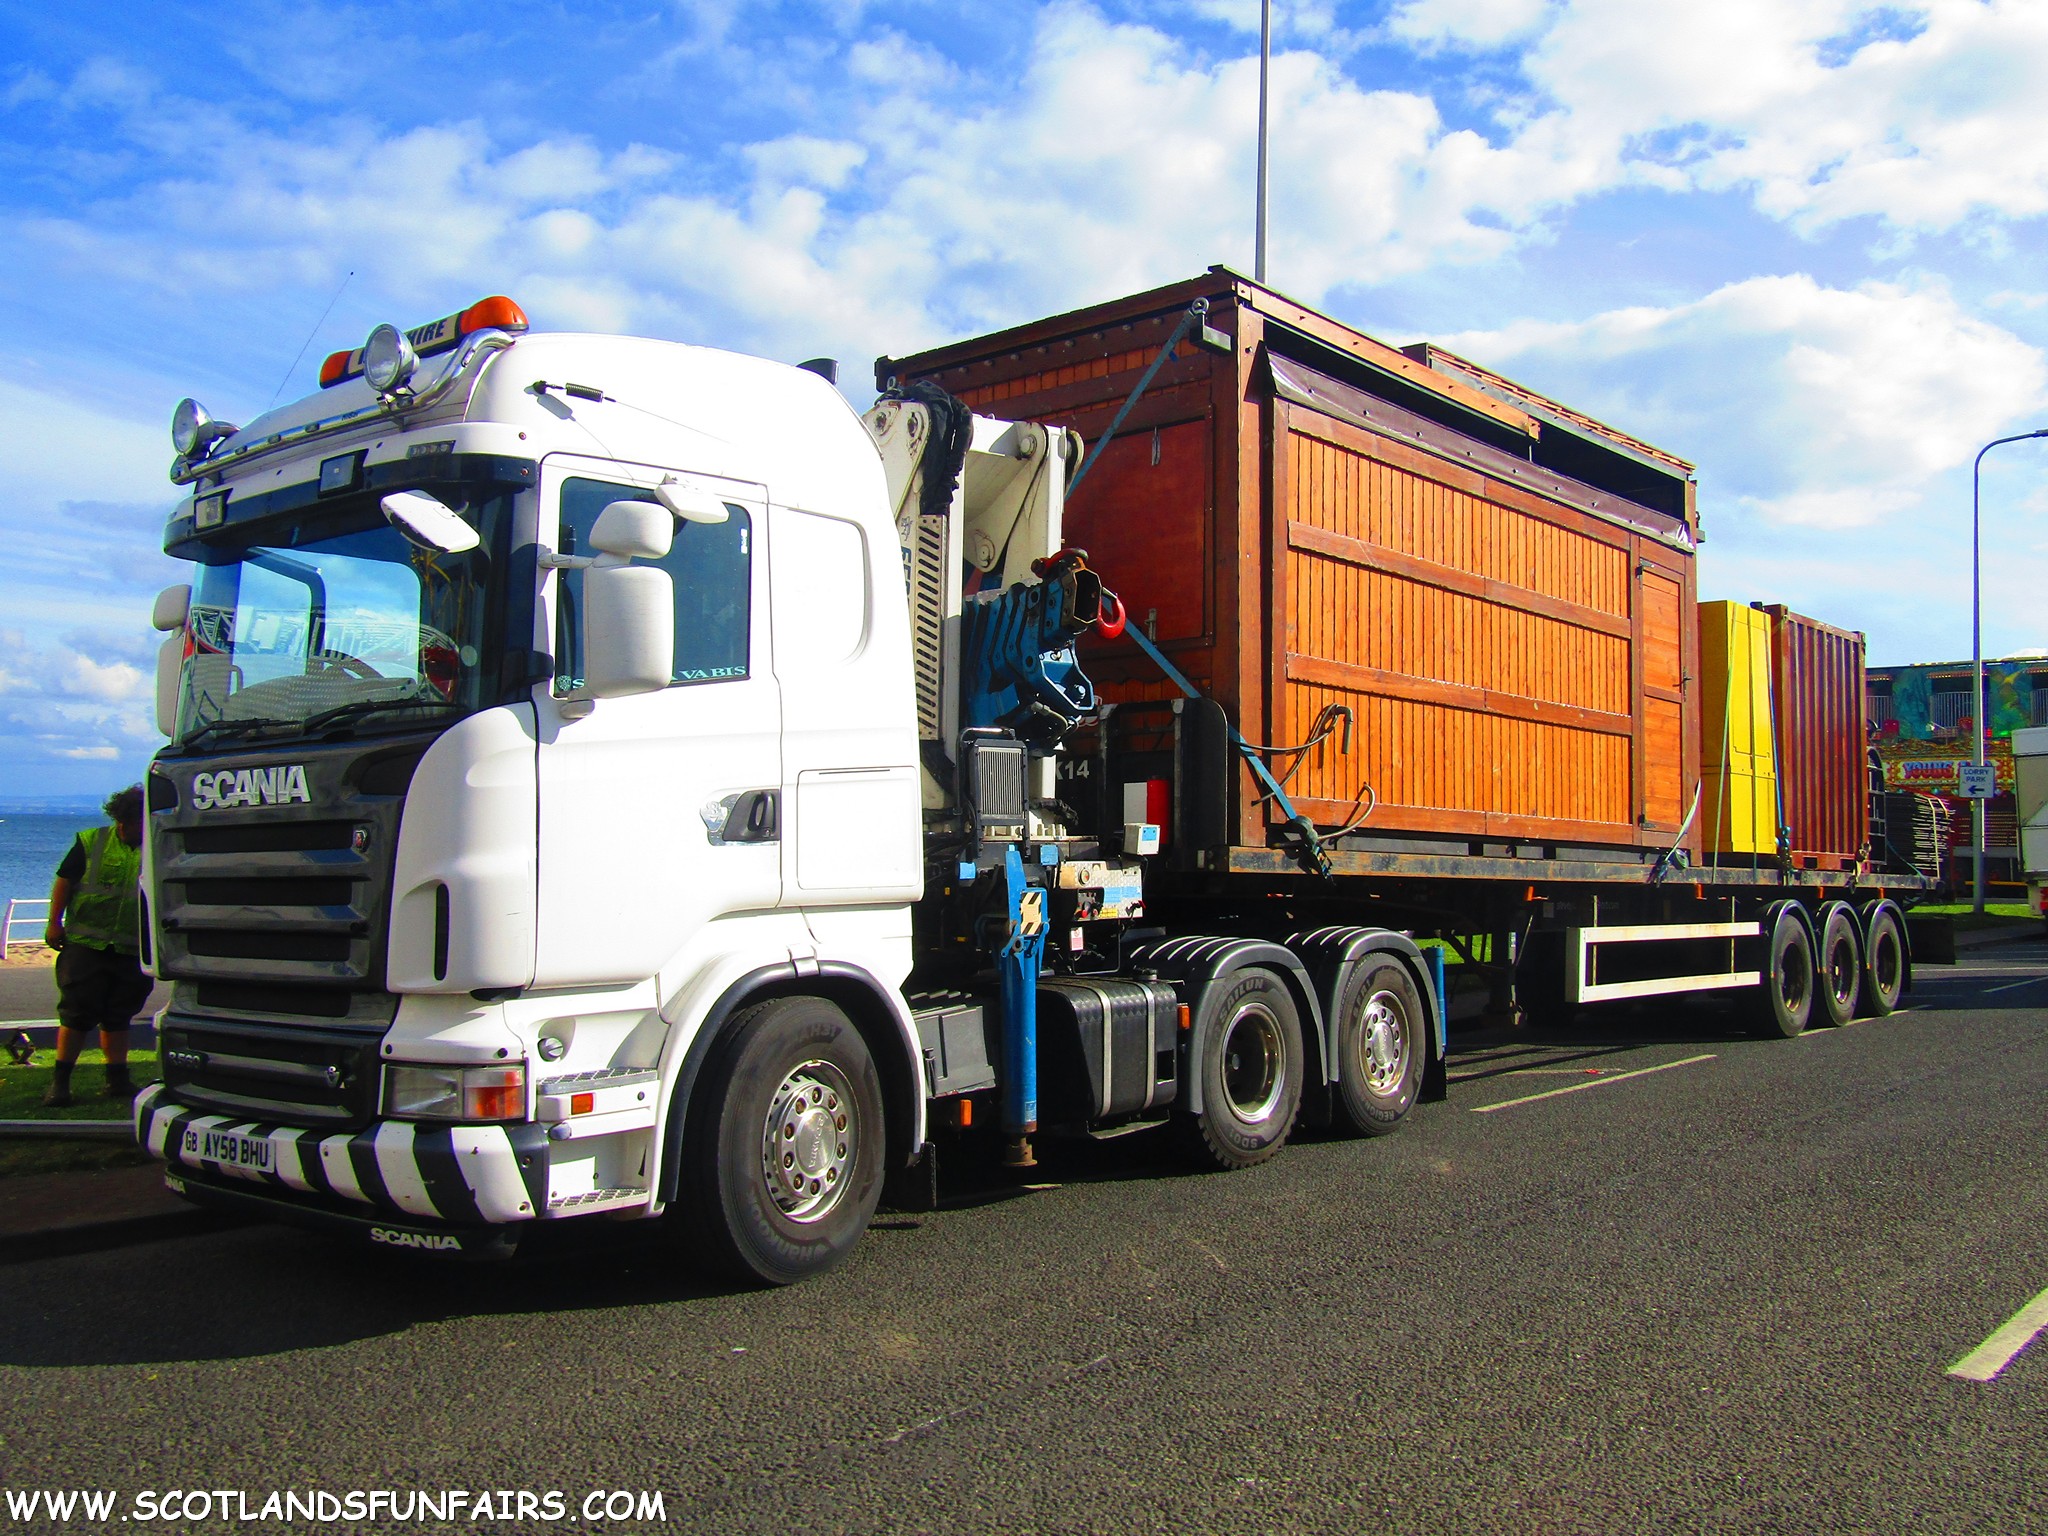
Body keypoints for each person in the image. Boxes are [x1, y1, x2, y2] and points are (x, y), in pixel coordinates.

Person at [42, 785, 150, 1106]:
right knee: (76, 1013)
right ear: (123, 821)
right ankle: (60, 1084)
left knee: (120, 1013)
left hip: (131, 948)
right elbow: (65, 880)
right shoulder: (92, 841)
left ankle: (117, 1080)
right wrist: (53, 922)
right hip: (86, 945)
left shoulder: (158, 848)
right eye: (139, 823)